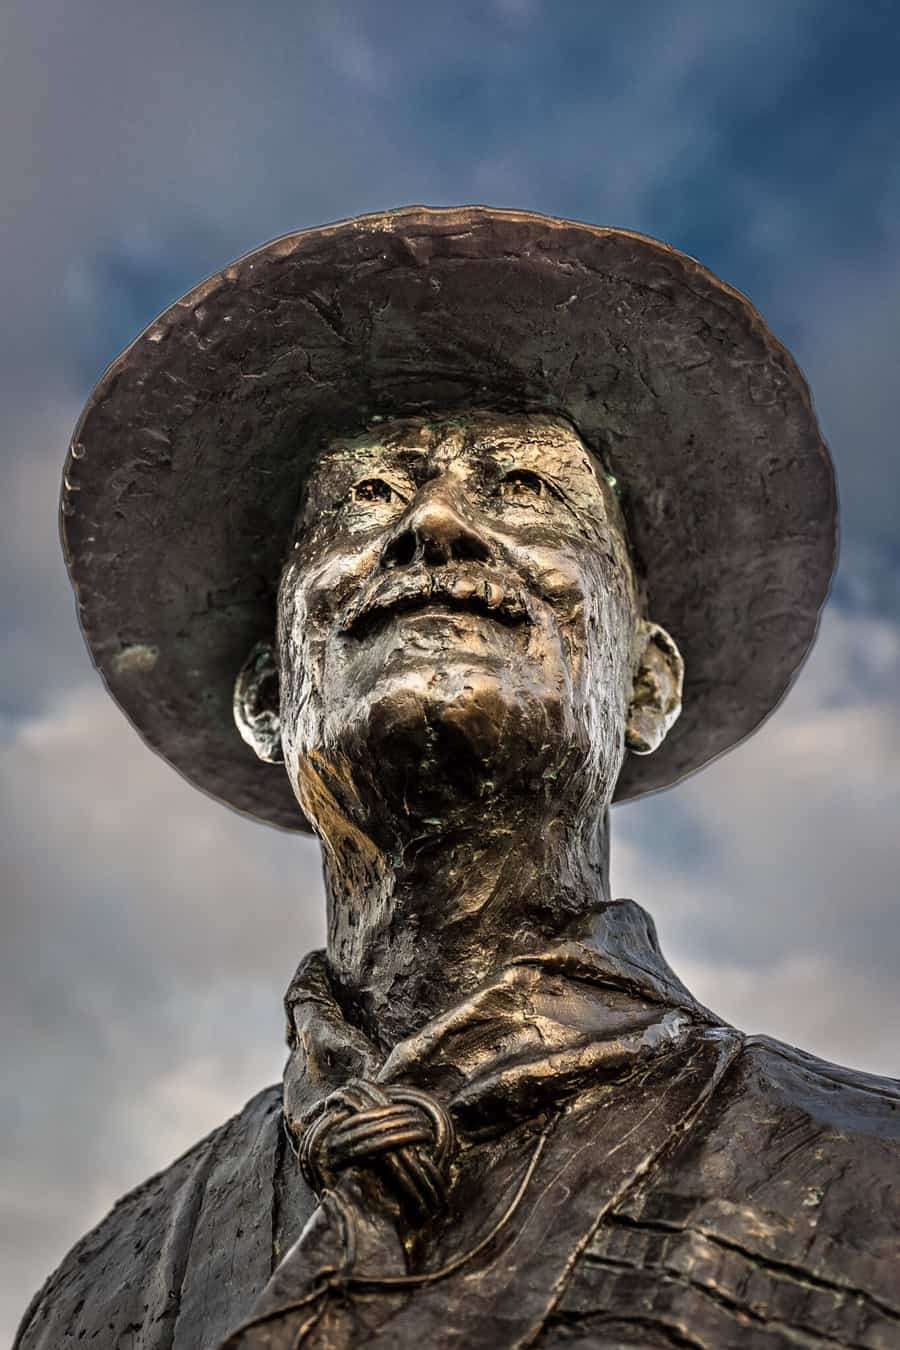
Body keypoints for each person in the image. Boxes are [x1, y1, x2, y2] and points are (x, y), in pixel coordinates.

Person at [16, 208, 899, 1349]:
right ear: (272, 699)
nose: (435, 524)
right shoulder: (101, 1303)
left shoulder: (866, 1184)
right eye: (366, 500)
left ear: (645, 686)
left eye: (527, 489)